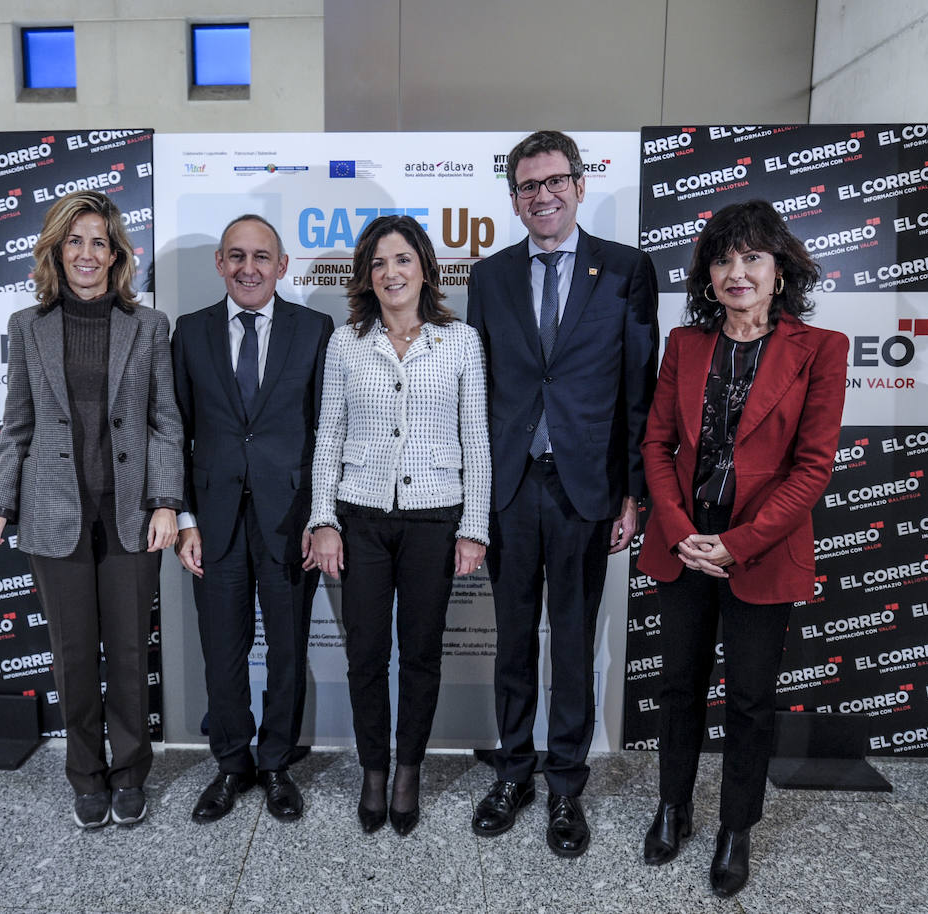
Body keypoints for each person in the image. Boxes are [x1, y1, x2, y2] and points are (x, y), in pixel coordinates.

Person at [638, 199, 848, 898]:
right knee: (678, 689)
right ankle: (673, 808)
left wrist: (733, 545)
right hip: (683, 547)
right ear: (707, 275)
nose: (737, 272)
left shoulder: (820, 350)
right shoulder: (685, 345)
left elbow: (812, 468)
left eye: (753, 257)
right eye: (724, 259)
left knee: (752, 700)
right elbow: (657, 444)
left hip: (759, 553)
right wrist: (678, 530)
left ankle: (735, 827)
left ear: (779, 271)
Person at [466, 130, 659, 857]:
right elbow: (477, 395)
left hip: (588, 490)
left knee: (574, 647)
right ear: (513, 199)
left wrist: (633, 493)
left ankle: (565, 789)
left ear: (578, 185)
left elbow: (639, 390)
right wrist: (476, 497)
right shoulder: (490, 277)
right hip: (511, 490)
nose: (542, 195)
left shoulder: (626, 270)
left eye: (554, 181)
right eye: (527, 186)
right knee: (512, 641)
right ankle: (514, 769)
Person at [0, 190, 182, 829]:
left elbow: (165, 424)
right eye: (75, 240)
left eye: (99, 241)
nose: (87, 253)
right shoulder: (26, 327)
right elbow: (17, 426)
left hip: (127, 516)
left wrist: (167, 502)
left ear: (116, 253)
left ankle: (130, 775)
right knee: (72, 657)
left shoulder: (148, 325)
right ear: (55, 251)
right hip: (51, 517)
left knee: (126, 654)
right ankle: (85, 775)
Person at [306, 214, 490, 837]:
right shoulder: (345, 342)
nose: (391, 273)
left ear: (424, 268)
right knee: (364, 655)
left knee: (420, 654)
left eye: (403, 260)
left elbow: (477, 440)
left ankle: (408, 769)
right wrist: (323, 518)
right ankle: (374, 771)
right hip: (359, 519)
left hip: (435, 519)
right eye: (379, 263)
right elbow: (327, 434)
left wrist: (475, 526)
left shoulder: (460, 340)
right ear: (367, 274)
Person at [171, 215, 333, 824]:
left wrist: (322, 518)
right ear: (219, 263)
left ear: (282, 266)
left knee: (289, 649)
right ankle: (232, 764)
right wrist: (185, 518)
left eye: (261, 256)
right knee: (222, 649)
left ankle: (276, 764)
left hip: (290, 520)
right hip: (211, 523)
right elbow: (176, 435)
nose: (248, 267)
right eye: (236, 255)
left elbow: (328, 431)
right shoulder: (188, 333)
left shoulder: (315, 330)